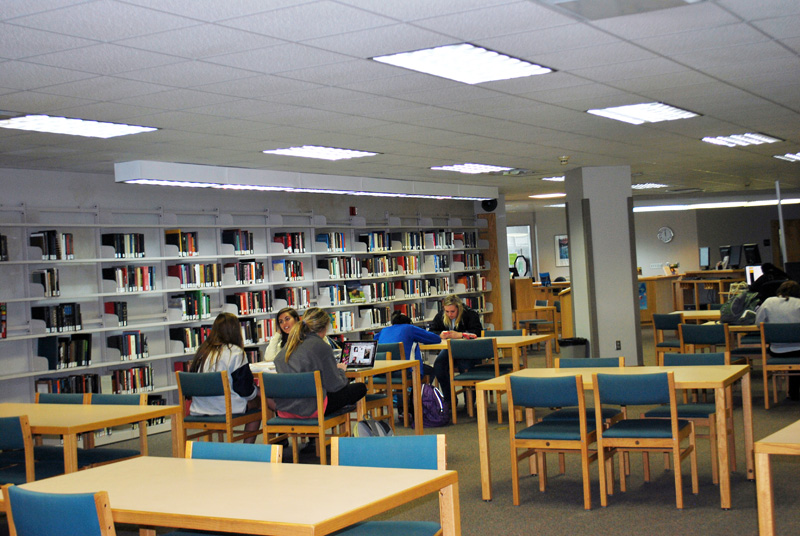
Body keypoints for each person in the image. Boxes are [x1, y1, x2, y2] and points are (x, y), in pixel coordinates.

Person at [274, 307, 366, 417]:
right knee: (360, 388)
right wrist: (341, 371)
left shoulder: (288, 346)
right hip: (312, 409)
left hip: (285, 410)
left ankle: (314, 432)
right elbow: (335, 386)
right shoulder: (322, 347)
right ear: (324, 327)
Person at [188, 312, 260, 442]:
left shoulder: (203, 351)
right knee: (260, 405)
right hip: (226, 407)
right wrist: (257, 392)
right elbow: (244, 389)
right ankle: (247, 449)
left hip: (200, 406)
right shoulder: (235, 352)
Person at [429, 295, 483, 400]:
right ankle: (450, 399)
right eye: (447, 311)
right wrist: (440, 334)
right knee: (438, 366)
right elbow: (431, 331)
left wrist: (460, 335)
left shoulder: (470, 314)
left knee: (464, 366)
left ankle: (470, 401)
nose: (449, 314)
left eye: (452, 311)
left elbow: (478, 332)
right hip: (449, 350)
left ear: (459, 308)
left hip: (468, 350)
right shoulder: (441, 315)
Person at [755, 280, 800, 400]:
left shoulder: (769, 301)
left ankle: (793, 392)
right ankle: (794, 391)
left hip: (777, 349)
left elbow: (759, 323)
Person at [375, 311, 442, 377]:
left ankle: (401, 388)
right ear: (409, 322)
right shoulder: (409, 328)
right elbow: (435, 339)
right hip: (404, 371)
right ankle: (418, 388)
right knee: (432, 371)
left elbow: (374, 341)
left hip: (380, 371)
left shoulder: (384, 330)